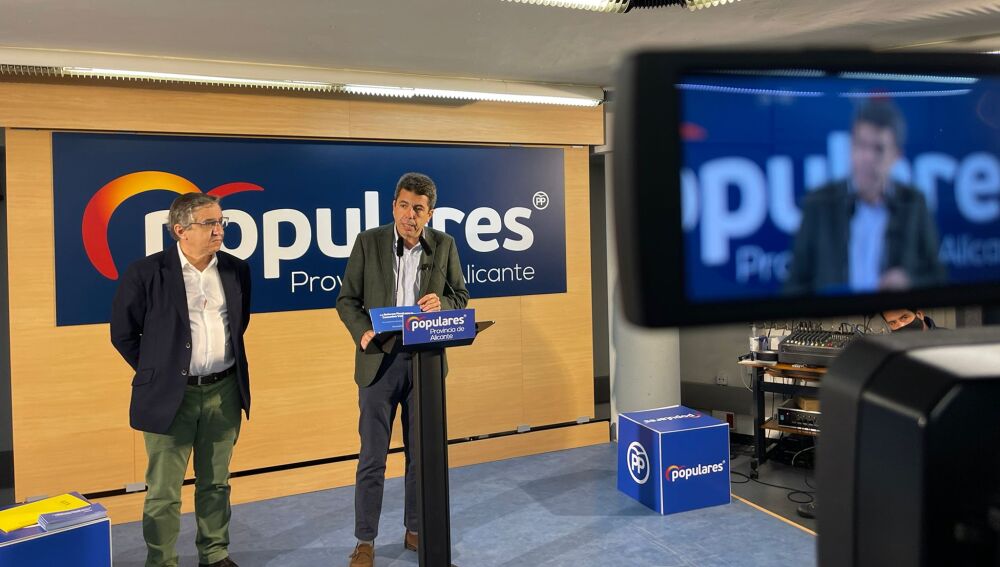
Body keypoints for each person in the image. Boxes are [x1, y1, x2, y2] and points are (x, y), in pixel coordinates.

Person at [111, 193, 252, 567]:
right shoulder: (146, 272)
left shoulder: (236, 270)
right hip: (170, 396)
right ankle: (162, 561)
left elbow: (239, 325)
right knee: (163, 490)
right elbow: (123, 333)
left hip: (224, 391)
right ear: (180, 230)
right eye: (210, 223)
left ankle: (215, 553)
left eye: (221, 222)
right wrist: (159, 373)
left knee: (216, 483)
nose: (219, 230)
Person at [336, 172, 469, 567]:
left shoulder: (444, 245)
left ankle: (415, 528)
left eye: (419, 209)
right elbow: (347, 300)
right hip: (378, 362)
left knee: (420, 457)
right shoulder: (369, 242)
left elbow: (460, 295)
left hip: (424, 363)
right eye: (405, 206)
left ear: (430, 213)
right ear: (394, 206)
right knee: (372, 457)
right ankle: (365, 541)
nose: (411, 215)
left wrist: (442, 305)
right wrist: (362, 331)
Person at [785, 100, 946, 296]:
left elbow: (938, 277)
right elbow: (794, 286)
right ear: (851, 148)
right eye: (860, 145)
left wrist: (909, 282)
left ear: (897, 155)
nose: (867, 158)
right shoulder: (819, 202)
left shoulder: (914, 203)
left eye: (878, 149)